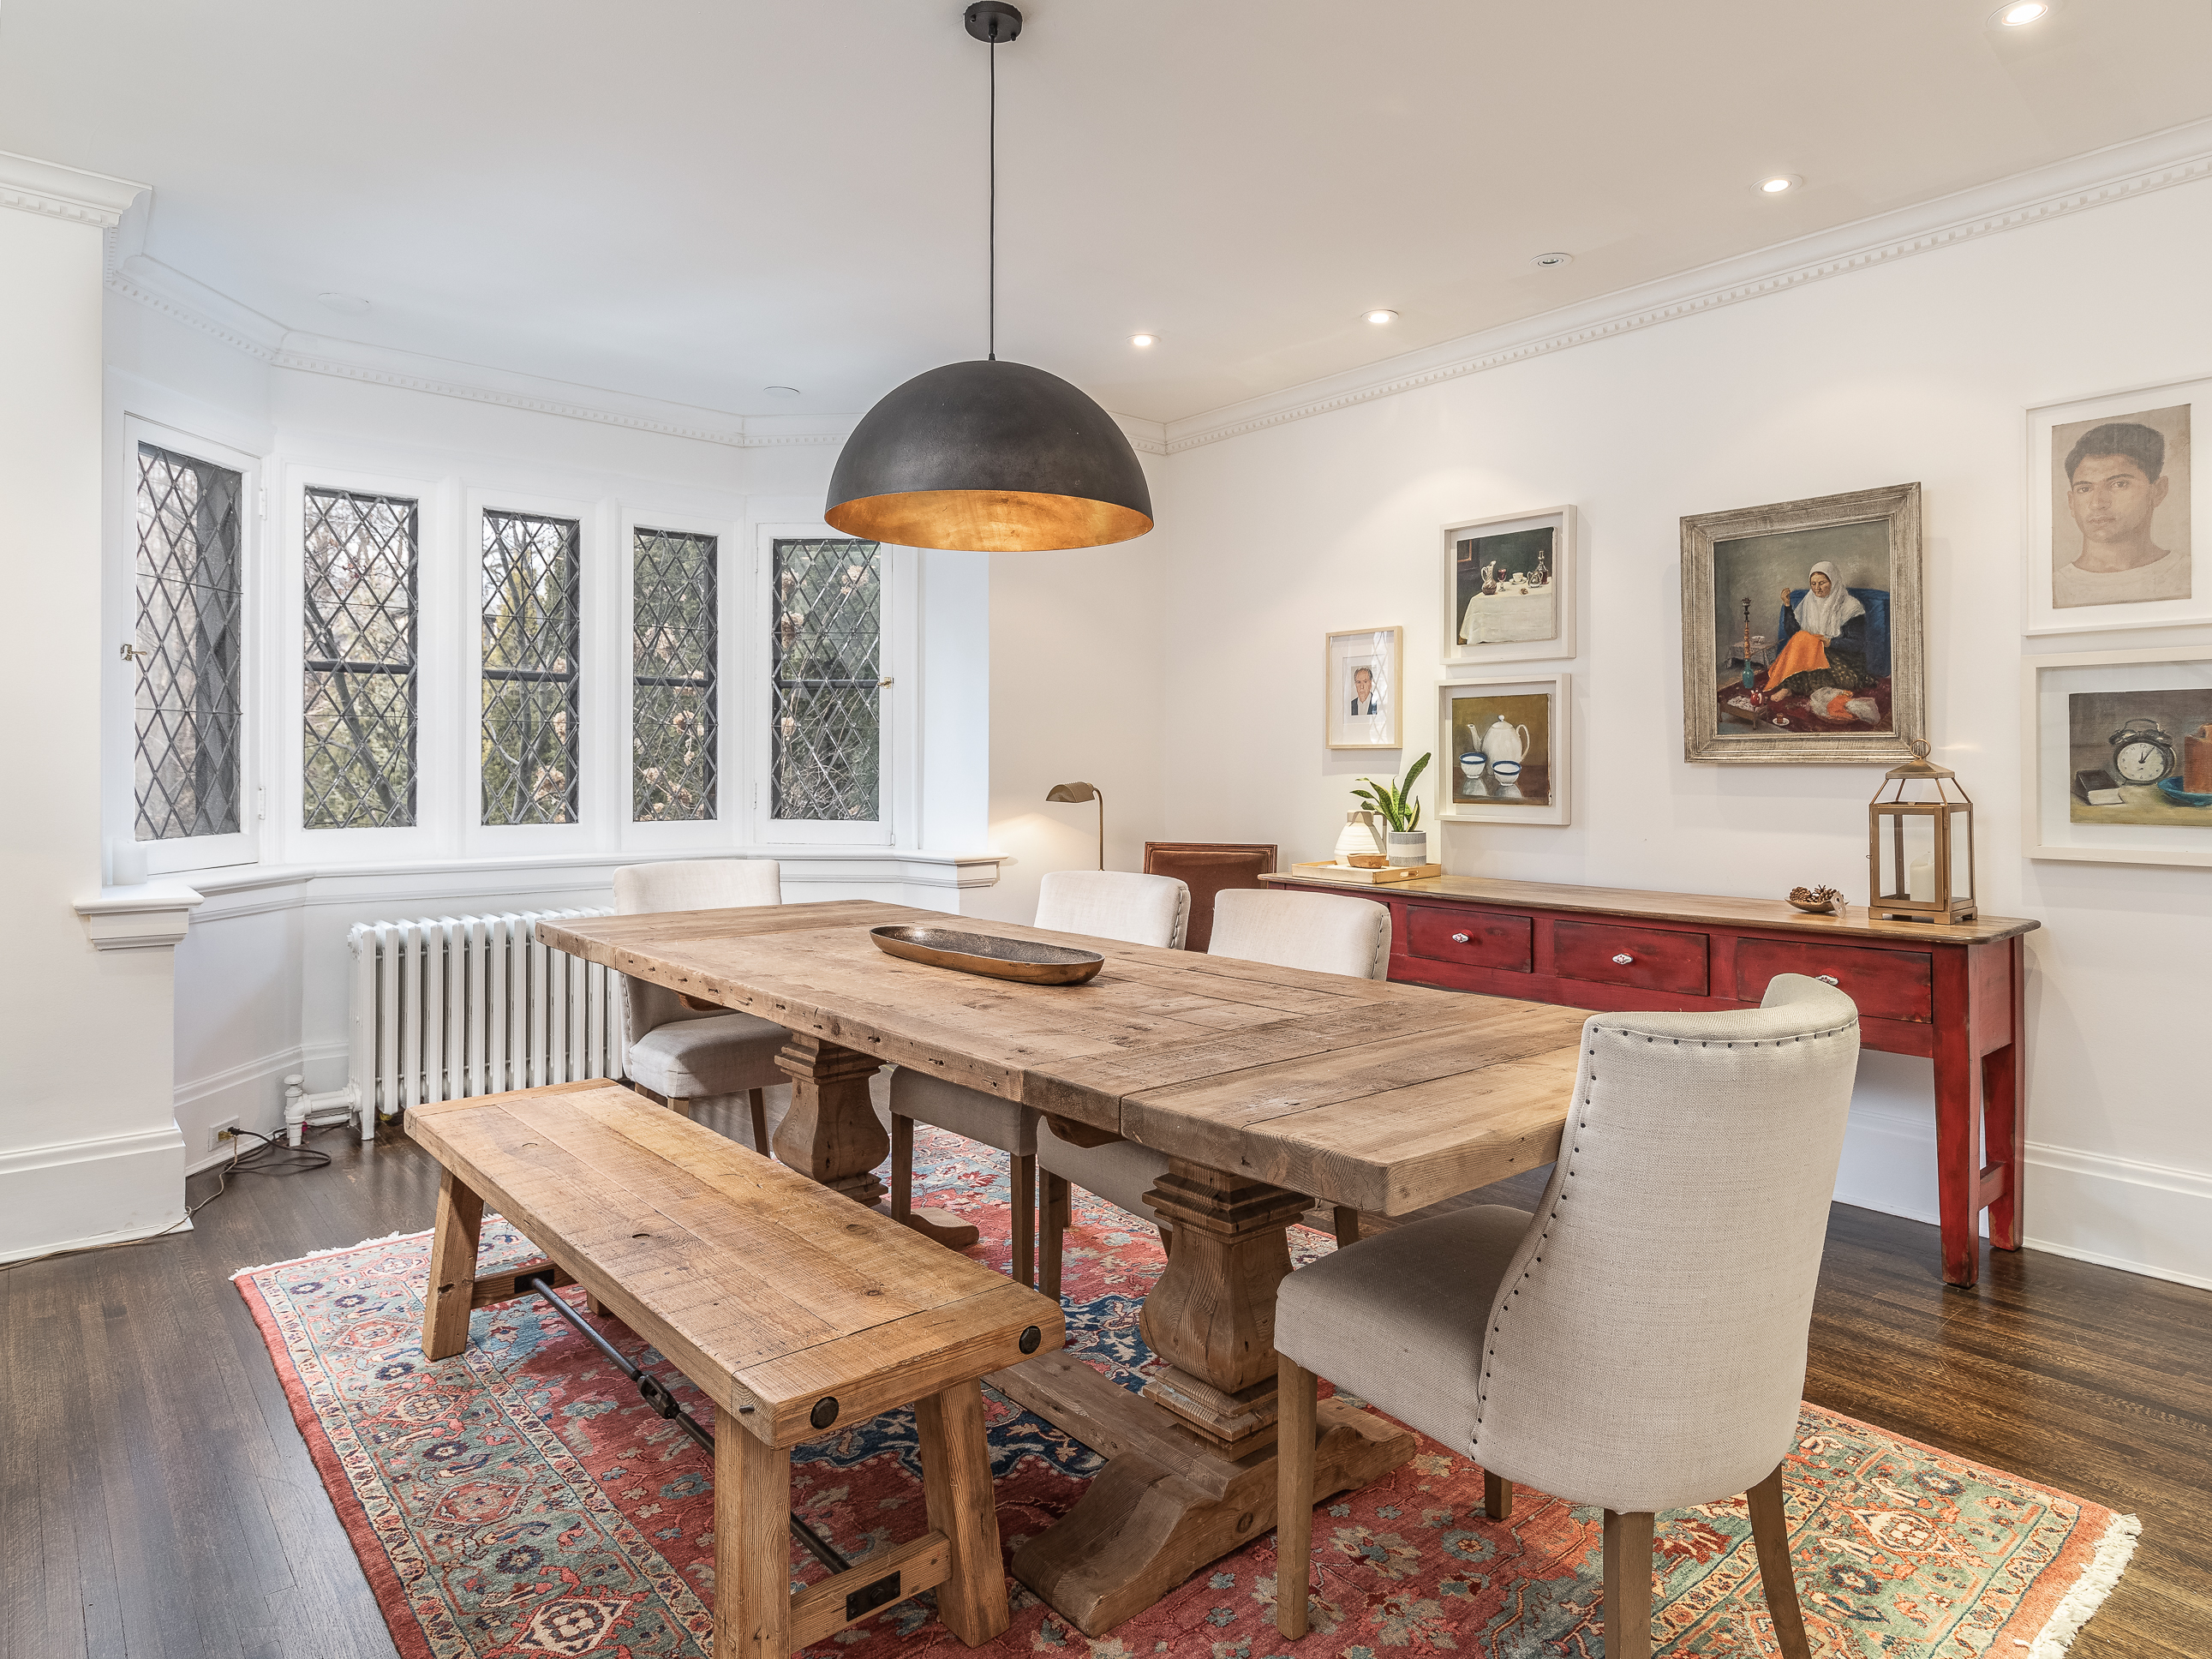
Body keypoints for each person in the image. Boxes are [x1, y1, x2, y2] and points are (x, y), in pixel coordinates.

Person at [2055, 421, 2189, 608]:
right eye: (2085, 489)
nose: (2097, 503)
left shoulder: (2191, 574)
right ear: (2071, 502)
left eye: (2119, 484)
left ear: (2158, 491)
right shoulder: (2052, 589)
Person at [1759, 562, 1874, 703]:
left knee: (1820, 673)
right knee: (1802, 639)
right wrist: (1787, 605)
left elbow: (1858, 644)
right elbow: (1794, 633)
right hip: (1815, 653)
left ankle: (1791, 687)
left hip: (1844, 659)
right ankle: (1789, 687)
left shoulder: (1850, 606)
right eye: (1813, 584)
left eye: (1822, 583)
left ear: (1833, 581)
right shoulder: (1809, 601)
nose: (1817, 588)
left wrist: (1830, 642)